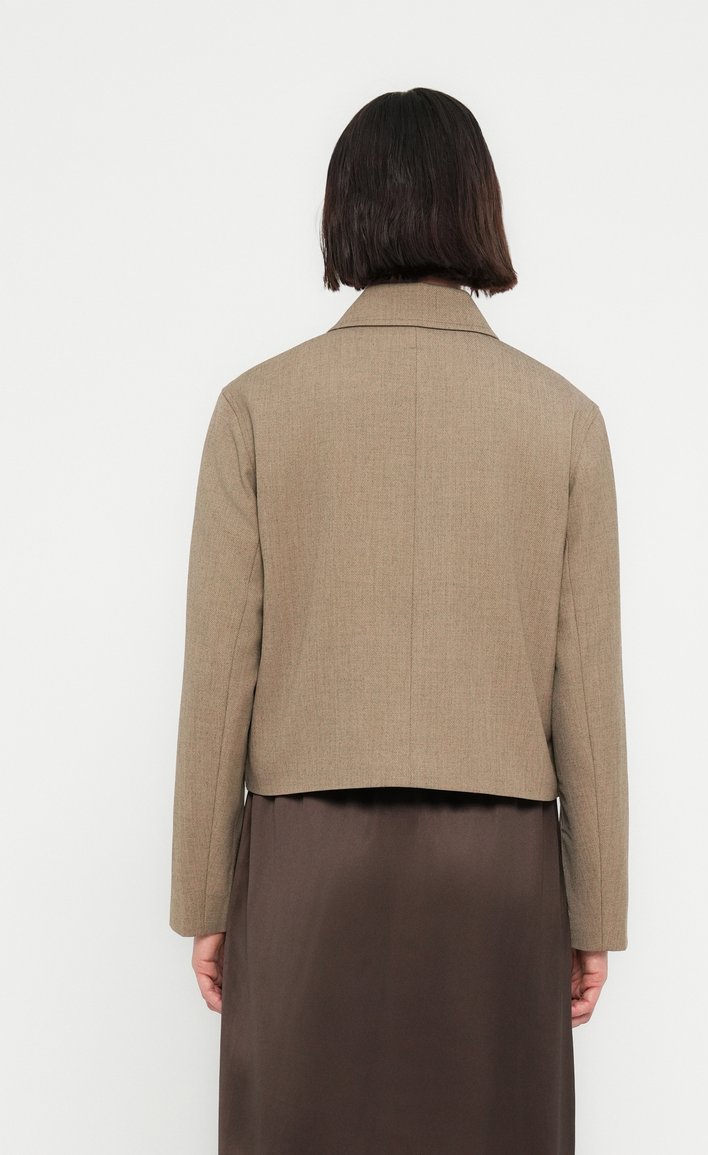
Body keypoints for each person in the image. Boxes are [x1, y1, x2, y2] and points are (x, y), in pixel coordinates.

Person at [170, 86, 629, 1155]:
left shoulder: (258, 406)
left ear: (346, 211)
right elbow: (585, 689)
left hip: (306, 861)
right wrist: (594, 909)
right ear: (478, 209)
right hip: (499, 867)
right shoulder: (563, 419)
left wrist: (205, 894)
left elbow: (219, 673)